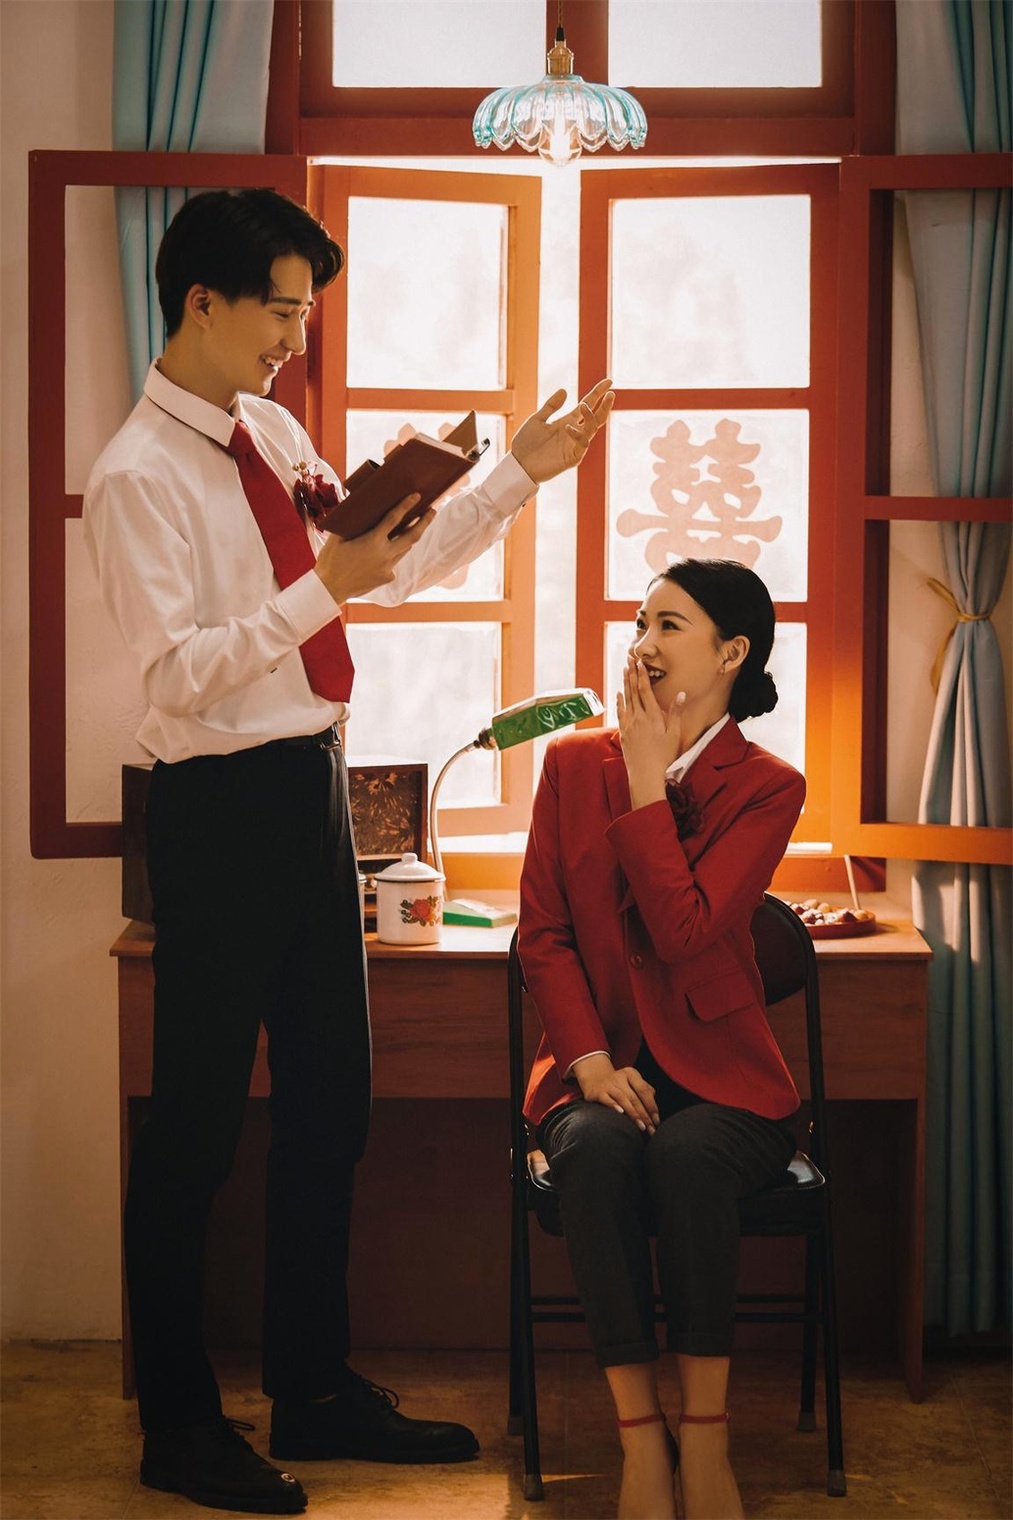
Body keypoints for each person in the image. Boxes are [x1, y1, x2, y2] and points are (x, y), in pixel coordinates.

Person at [83, 186, 613, 1517]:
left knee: (334, 1101)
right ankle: (179, 1428)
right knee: (195, 1127)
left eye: (303, 316)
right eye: (279, 311)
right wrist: (326, 586)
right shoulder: (136, 474)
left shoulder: (269, 430)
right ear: (201, 300)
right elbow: (180, 674)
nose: (292, 341)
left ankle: (311, 1388)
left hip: (311, 787)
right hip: (213, 809)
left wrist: (515, 473)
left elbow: (387, 566)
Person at [518, 558, 805, 1520]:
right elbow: (544, 934)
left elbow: (682, 931)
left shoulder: (767, 787)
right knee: (595, 1153)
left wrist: (647, 781)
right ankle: (641, 1440)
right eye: (639, 622)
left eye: (668, 625)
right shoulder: (569, 766)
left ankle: (706, 1443)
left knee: (686, 1157)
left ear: (730, 653)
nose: (642, 643)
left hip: (726, 1080)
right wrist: (589, 1060)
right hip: (596, 1065)